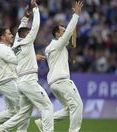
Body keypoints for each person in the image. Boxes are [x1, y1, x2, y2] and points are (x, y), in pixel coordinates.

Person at [0, 0, 54, 132]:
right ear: (26, 35)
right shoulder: (26, 42)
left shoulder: (15, 45)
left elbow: (21, 30)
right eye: (28, 33)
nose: (31, 33)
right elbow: (35, 27)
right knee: (47, 107)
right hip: (29, 80)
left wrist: (25, 18)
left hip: (20, 82)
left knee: (24, 113)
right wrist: (36, 10)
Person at [35, 1, 83, 132]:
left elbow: (67, 43)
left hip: (54, 83)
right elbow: (69, 34)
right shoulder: (57, 44)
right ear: (57, 34)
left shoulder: (52, 47)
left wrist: (71, 56)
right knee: (77, 105)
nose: (65, 32)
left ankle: (43, 122)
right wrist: (76, 15)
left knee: (69, 108)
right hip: (62, 80)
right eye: (63, 31)